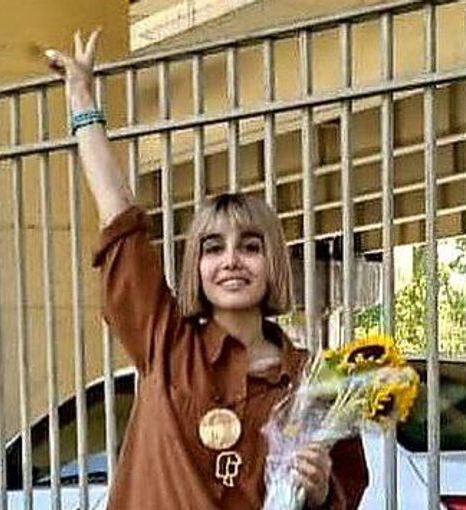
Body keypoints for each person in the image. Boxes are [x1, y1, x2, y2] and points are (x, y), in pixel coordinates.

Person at [45, 30, 369, 510]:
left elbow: (344, 493)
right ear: (196, 265)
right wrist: (81, 101)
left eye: (250, 246)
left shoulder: (314, 381)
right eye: (213, 248)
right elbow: (119, 221)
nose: (231, 260)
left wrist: (320, 490)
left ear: (273, 261)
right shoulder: (165, 343)